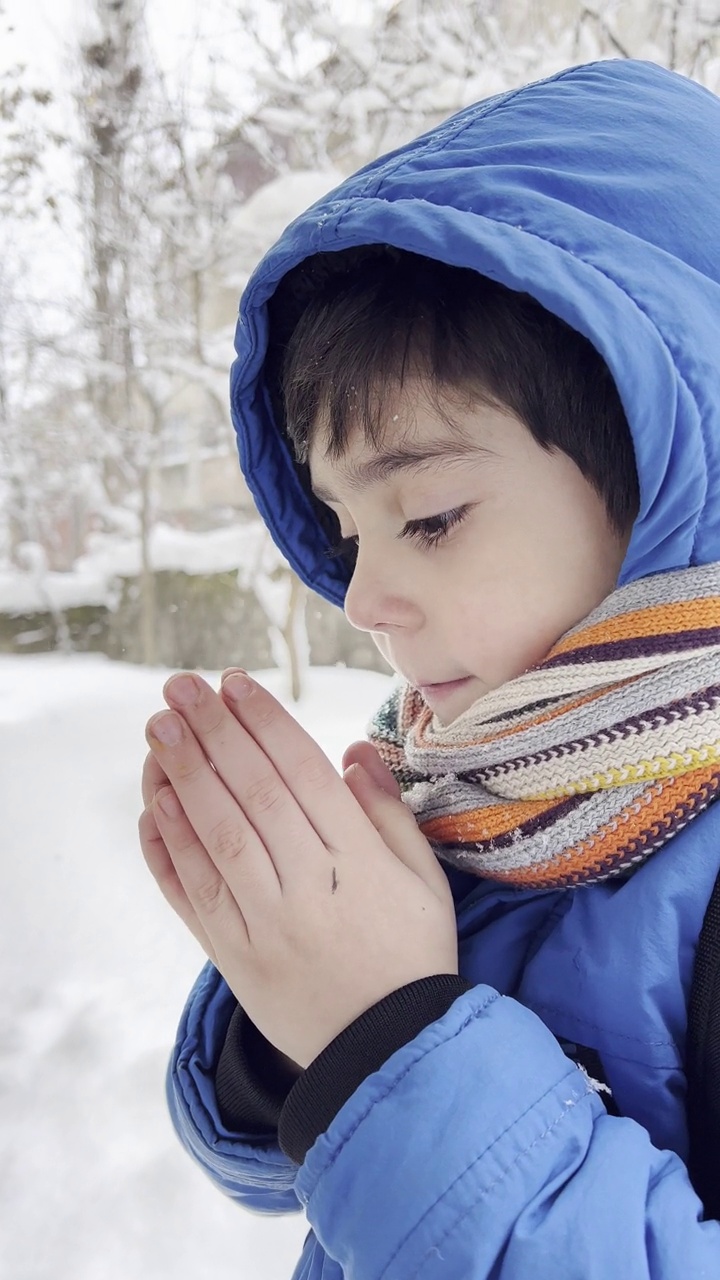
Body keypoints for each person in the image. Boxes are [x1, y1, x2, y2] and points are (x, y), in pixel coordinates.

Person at [138, 58, 720, 1276]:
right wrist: (294, 1003)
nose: (359, 596)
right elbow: (312, 1171)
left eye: (434, 514)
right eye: (346, 529)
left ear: (667, 473)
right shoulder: (478, 775)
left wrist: (384, 1030)